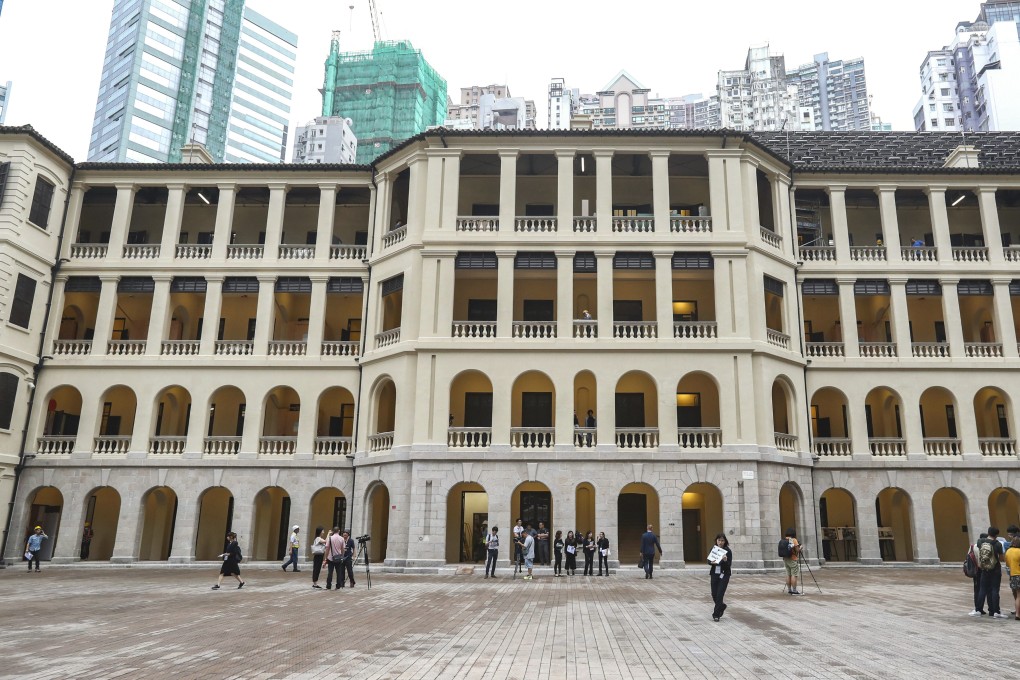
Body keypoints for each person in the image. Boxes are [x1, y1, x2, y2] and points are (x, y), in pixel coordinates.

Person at [976, 526, 1006, 618]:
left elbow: (979, 552)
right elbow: (1001, 558)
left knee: (982, 589)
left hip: (984, 568)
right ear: (997, 534)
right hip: (995, 569)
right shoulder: (997, 544)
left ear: (988, 532)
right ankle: (996, 611)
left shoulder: (980, 541)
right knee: (995, 590)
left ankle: (978, 610)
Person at [709, 533, 732, 621]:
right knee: (714, 594)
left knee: (719, 594)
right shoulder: (714, 549)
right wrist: (712, 562)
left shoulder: (728, 551)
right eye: (719, 540)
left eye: (722, 540)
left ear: (725, 541)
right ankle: (721, 606)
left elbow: (729, 565)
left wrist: (725, 561)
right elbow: (708, 561)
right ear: (716, 541)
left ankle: (716, 614)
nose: (720, 542)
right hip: (714, 573)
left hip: (724, 574)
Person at [968, 533, 987, 616]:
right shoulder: (987, 547)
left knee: (977, 589)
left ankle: (978, 608)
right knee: (987, 589)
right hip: (985, 569)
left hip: (976, 570)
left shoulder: (973, 546)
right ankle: (991, 609)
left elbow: (968, 557)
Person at [782, 528, 801, 595]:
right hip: (793, 559)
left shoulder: (784, 539)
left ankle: (789, 589)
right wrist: (800, 547)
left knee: (788, 574)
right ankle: (794, 590)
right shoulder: (794, 540)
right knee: (794, 575)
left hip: (785, 559)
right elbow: (797, 550)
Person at [1006, 536, 1020, 620]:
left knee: (1016, 594)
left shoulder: (1008, 551)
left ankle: (1017, 612)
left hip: (1012, 575)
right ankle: (1018, 614)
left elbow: (1008, 564)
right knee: (1019, 595)